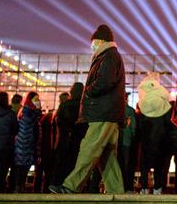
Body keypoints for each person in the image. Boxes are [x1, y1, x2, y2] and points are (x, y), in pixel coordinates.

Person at [49, 24, 126, 194]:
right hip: (109, 113)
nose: (91, 46)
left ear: (100, 41)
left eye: (93, 42)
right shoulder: (110, 56)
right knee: (107, 157)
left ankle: (71, 186)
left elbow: (105, 81)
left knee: (89, 149)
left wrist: (88, 91)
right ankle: (117, 192)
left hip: (102, 113)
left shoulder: (108, 56)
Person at [137, 73, 172, 195]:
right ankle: (158, 187)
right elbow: (168, 124)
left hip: (147, 138)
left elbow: (140, 125)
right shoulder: (165, 104)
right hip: (161, 138)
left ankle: (144, 187)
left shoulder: (142, 104)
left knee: (145, 165)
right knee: (159, 164)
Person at [52, 83, 87, 186]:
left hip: (64, 140)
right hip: (79, 141)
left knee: (61, 166)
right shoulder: (84, 107)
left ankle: (58, 185)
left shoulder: (64, 105)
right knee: (75, 165)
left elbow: (58, 123)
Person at [14, 91, 42, 193]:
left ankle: (20, 186)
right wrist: (37, 110)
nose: (38, 101)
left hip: (26, 143)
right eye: (36, 99)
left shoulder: (29, 110)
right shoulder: (27, 111)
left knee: (24, 166)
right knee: (21, 166)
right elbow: (27, 124)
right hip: (24, 143)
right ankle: (19, 186)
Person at [119, 93, 136, 193]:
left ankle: (117, 186)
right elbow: (133, 127)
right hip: (126, 141)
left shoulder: (114, 109)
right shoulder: (130, 110)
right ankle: (126, 187)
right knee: (126, 165)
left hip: (115, 141)